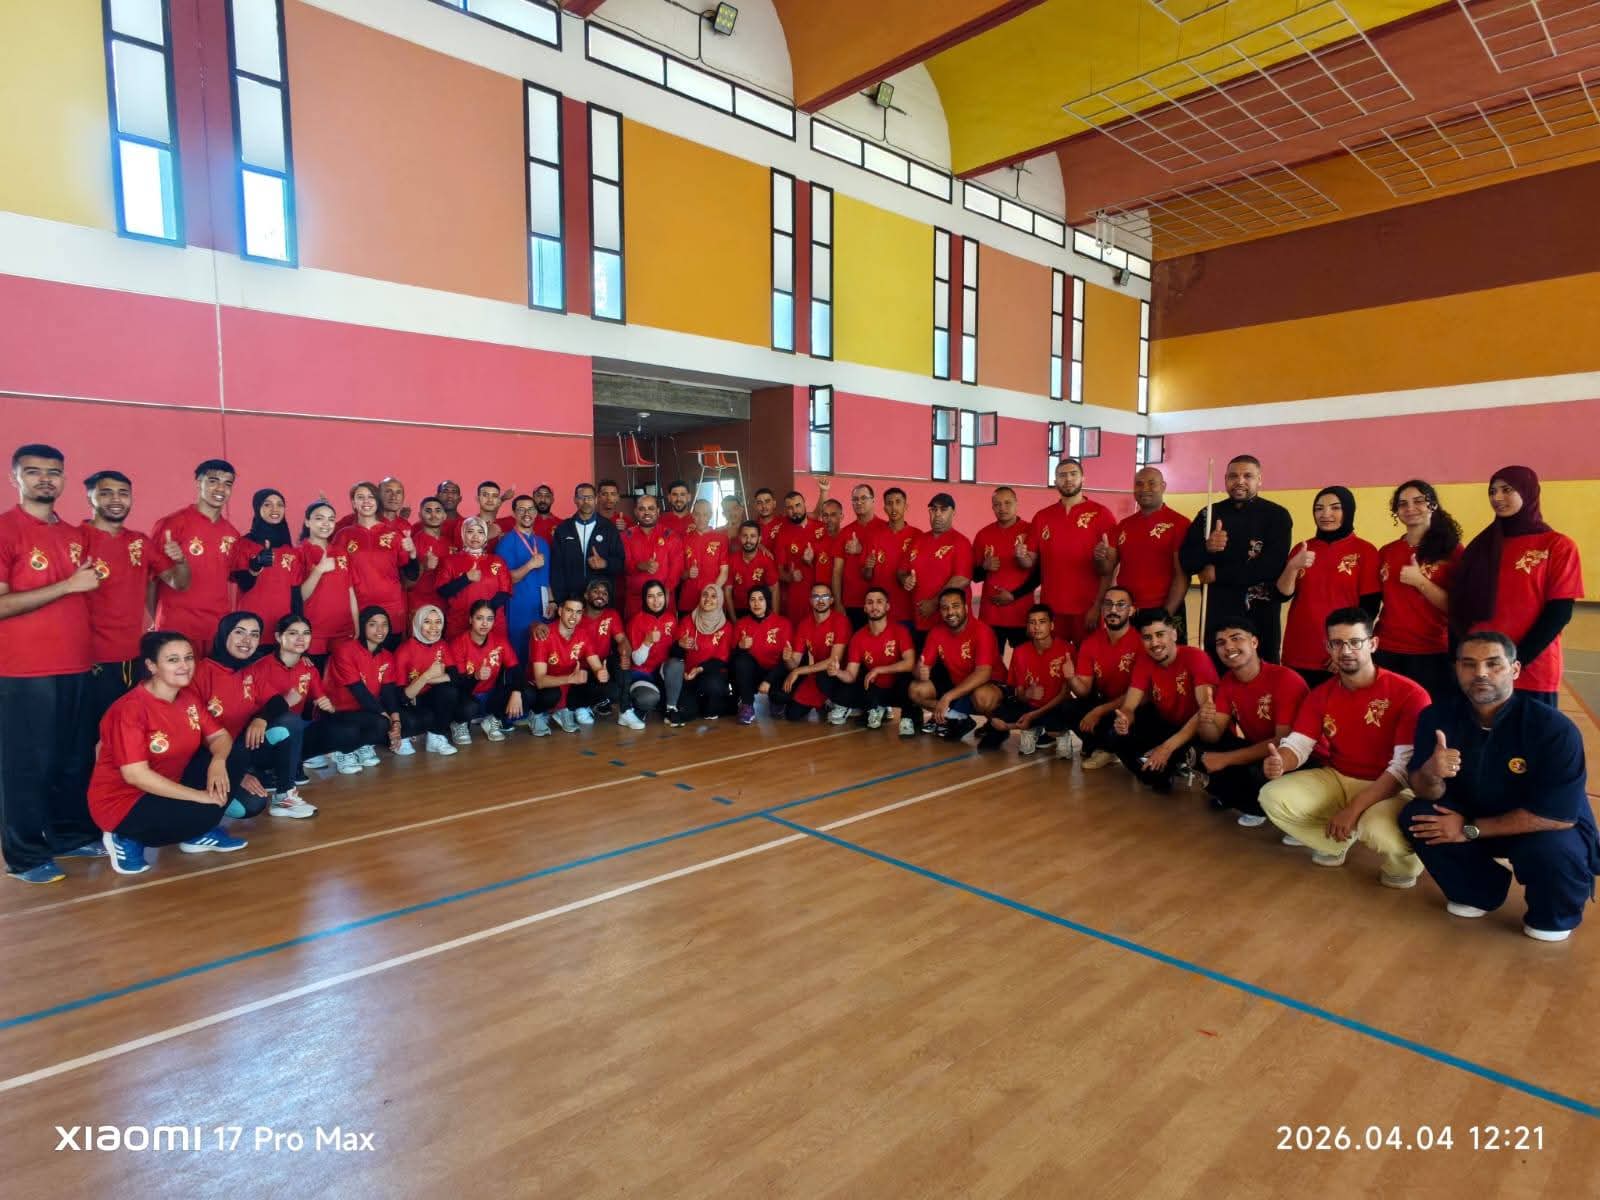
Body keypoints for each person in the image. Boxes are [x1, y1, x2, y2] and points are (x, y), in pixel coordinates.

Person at [1404, 632, 1597, 942]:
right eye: (1469, 664)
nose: (1480, 673)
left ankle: (1553, 912)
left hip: (1535, 827)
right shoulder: (1436, 717)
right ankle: (1478, 890)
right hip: (1471, 813)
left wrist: (1469, 829)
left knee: (1555, 850)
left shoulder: (1553, 729)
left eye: (1493, 664)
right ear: (1457, 669)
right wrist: (1431, 772)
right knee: (1418, 815)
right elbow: (1425, 791)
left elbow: (1559, 816)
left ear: (1515, 669)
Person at [1259, 607, 1429, 888]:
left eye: (1354, 642)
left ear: (1372, 644)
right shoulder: (1322, 694)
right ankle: (1336, 842)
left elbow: (1402, 769)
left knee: (1374, 828)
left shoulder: (1409, 694)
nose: (1346, 650)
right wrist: (1282, 762)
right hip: (1339, 777)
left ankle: (1405, 863)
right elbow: (1299, 745)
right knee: (1272, 796)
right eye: (1337, 643)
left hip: (1395, 785)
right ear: (1328, 647)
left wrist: (1353, 811)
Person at [1, 444, 106, 883]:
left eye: (54, 472)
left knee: (72, 758)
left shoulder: (72, 534)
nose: (45, 479)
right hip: (25, 671)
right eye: (34, 472)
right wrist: (67, 586)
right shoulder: (7, 530)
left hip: (76, 666)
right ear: (15, 478)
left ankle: (69, 835)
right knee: (27, 765)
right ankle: (24, 855)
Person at [92, 631, 258, 874]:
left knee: (236, 755)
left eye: (188, 658)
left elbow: (220, 737)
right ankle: (124, 837)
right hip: (124, 802)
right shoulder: (130, 710)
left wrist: (218, 762)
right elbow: (136, 776)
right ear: (151, 665)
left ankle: (195, 833)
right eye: (173, 660)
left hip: (168, 785)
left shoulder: (187, 698)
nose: (184, 666)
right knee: (206, 808)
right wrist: (198, 796)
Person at [1449, 466, 1583, 706]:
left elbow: (1559, 613)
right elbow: (1460, 607)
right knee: (1480, 741)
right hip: (1480, 669)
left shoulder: (1557, 545)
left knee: (1531, 741)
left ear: (1528, 492)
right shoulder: (1480, 547)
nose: (1497, 498)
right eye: (1492, 491)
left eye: (1507, 490)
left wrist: (1514, 662)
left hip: (1531, 669)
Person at [81, 469, 189, 725]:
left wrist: (181, 560)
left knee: (131, 729)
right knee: (89, 735)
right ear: (90, 497)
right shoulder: (76, 539)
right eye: (106, 493)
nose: (116, 499)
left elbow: (178, 582)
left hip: (133, 655)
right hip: (91, 658)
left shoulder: (139, 542)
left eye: (123, 493)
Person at [193, 612, 310, 818]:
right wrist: (236, 773)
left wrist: (261, 718)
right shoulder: (201, 672)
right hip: (207, 757)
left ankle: (285, 795)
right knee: (250, 806)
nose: (247, 640)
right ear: (224, 633)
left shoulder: (250, 671)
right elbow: (191, 737)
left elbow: (277, 702)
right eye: (240, 632)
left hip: (241, 749)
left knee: (290, 722)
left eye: (255, 634)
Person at [1179, 454, 1293, 666]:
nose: (1240, 481)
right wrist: (1207, 548)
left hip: (1260, 613)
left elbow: (1271, 567)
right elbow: (1186, 561)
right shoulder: (1208, 514)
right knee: (1217, 669)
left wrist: (1218, 574)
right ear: (1225, 479)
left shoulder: (1277, 516)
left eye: (1247, 476)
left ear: (1259, 480)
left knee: (1262, 672)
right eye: (1233, 476)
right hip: (1217, 610)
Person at [1195, 618, 1309, 826]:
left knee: (1247, 767)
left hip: (1298, 757)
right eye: (1221, 643)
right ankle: (1251, 803)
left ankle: (1284, 811)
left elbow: (1283, 741)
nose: (1228, 646)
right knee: (1200, 750)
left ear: (1254, 642)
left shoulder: (1285, 679)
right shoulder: (1228, 680)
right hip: (1261, 749)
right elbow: (1212, 736)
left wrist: (1226, 759)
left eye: (1236, 638)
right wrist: (1205, 719)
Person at [1277, 487, 1380, 689]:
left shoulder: (1365, 551)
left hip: (1340, 652)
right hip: (1299, 649)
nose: (1325, 514)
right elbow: (1282, 594)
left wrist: (1344, 650)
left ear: (1348, 511)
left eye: (1335, 508)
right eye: (1319, 508)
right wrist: (1293, 566)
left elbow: (1369, 608)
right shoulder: (1302, 548)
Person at [1109, 609, 1218, 792]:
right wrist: (1124, 719)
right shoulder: (1144, 661)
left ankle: (1176, 762)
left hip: (1195, 731)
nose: (1155, 643)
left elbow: (1203, 714)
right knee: (1115, 735)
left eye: (1160, 635)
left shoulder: (1195, 658)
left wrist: (1165, 748)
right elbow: (1129, 705)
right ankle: (1163, 768)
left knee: (1158, 771)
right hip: (1168, 725)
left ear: (1174, 634)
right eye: (1147, 638)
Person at [253, 615, 373, 779]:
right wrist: (285, 702)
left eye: (306, 633)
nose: (301, 638)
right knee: (289, 720)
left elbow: (321, 699)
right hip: (262, 733)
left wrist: (327, 705)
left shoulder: (309, 669)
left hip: (296, 729)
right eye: (293, 633)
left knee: (346, 729)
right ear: (278, 637)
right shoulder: (261, 667)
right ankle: (273, 769)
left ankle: (299, 760)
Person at [1375, 479, 1462, 705]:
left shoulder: (1452, 551)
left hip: (1432, 651)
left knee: (1428, 719)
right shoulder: (1386, 552)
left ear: (1432, 505)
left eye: (1418, 501)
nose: (1410, 508)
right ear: (1396, 512)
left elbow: (1457, 607)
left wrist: (1421, 582)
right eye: (1402, 504)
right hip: (1388, 649)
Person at [151, 459, 241, 654]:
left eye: (228, 483)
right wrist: (155, 621)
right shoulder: (173, 524)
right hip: (177, 627)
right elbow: (151, 579)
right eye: (213, 481)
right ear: (197, 482)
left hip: (216, 629)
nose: (220, 488)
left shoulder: (232, 534)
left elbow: (232, 577)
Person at [1030, 458, 1117, 646]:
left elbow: (1109, 569)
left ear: (1083, 478)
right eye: (1062, 475)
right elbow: (1031, 562)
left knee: (1088, 665)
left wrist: (1097, 605)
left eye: (1073, 474)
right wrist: (1022, 555)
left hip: (1087, 608)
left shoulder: (1102, 514)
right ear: (1055, 481)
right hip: (1052, 608)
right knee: (1055, 663)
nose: (1068, 479)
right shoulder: (1042, 517)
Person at [909, 588, 1004, 740]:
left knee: (982, 697)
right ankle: (958, 717)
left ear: (966, 607)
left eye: (955, 606)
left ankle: (997, 725)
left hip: (989, 685)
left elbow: (983, 673)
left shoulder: (982, 631)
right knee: (917, 689)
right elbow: (921, 667)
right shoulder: (936, 632)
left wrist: (948, 697)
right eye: (945, 608)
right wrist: (920, 671)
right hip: (959, 686)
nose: (950, 612)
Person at [981, 606, 1075, 755]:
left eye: (1042, 622)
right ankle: (1032, 729)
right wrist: (1027, 695)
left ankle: (1060, 734)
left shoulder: (1067, 650)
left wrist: (1031, 716)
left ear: (1051, 625)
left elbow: (1065, 693)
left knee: (1065, 712)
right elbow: (1019, 694)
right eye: (1032, 622)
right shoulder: (1020, 652)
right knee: (997, 720)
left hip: (1055, 706)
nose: (1037, 627)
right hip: (1030, 706)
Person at [1068, 587, 1141, 771]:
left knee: (1122, 723)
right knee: (1067, 708)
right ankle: (1103, 746)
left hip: (1132, 707)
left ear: (1132, 610)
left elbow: (1137, 693)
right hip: (1106, 703)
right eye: (1108, 604)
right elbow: (1083, 690)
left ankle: (1108, 747)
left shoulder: (1141, 643)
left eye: (1120, 605)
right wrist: (1070, 678)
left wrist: (1099, 711)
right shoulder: (1090, 642)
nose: (1113, 610)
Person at [325, 606, 408, 765]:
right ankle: (342, 750)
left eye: (384, 624)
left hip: (366, 711)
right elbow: (358, 691)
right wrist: (387, 719)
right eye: (373, 624)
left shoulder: (387, 656)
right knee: (382, 722)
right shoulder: (345, 650)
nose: (380, 629)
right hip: (338, 711)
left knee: (391, 721)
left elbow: (388, 692)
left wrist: (396, 723)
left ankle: (360, 745)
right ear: (362, 626)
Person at [1109, 467, 1191, 627]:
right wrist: (1100, 557)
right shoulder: (1124, 526)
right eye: (1139, 484)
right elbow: (1106, 568)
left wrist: (1166, 616)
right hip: (1128, 609)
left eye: (1152, 483)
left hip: (1164, 609)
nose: (1145, 488)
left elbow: (1182, 576)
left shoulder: (1180, 524)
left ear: (1163, 486)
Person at [828, 586, 915, 732]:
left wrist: (879, 669)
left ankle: (907, 717)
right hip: (875, 689)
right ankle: (876, 708)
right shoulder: (858, 637)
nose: (874, 606)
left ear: (887, 606)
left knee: (907, 679)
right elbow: (851, 675)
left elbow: (910, 663)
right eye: (870, 602)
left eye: (879, 602)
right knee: (841, 692)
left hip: (898, 690)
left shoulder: (900, 631)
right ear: (864, 608)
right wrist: (837, 672)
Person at [341, 481, 418, 635]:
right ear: (353, 503)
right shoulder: (343, 535)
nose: (366, 501)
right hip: (357, 609)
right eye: (360, 497)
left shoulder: (394, 535)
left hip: (391, 609)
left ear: (377, 502)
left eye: (371, 497)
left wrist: (413, 554)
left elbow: (411, 575)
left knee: (388, 658)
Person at [901, 493, 974, 647]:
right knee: (922, 668)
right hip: (919, 621)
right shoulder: (918, 540)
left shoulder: (961, 542)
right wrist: (905, 579)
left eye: (943, 510)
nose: (938, 514)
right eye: (934, 510)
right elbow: (902, 571)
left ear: (953, 513)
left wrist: (934, 603)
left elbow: (962, 578)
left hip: (949, 623)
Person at [530, 596, 611, 734]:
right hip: (546, 688)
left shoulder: (583, 634)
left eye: (578, 612)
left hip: (569, 686)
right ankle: (536, 715)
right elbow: (540, 681)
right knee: (551, 694)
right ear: (560, 611)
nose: (574, 616)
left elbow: (598, 667)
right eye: (569, 610)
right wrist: (570, 679)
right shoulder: (544, 634)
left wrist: (603, 674)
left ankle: (567, 710)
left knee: (602, 686)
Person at [450, 599, 527, 742]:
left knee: (525, 693)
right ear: (471, 619)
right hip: (467, 697)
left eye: (489, 619)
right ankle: (458, 724)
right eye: (479, 618)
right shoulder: (458, 644)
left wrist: (517, 692)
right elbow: (458, 685)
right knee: (467, 705)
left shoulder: (500, 642)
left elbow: (517, 671)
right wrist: (476, 676)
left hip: (489, 696)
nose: (485, 623)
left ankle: (492, 720)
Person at [972, 486, 1039, 652]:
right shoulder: (983, 535)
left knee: (1025, 664)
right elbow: (974, 576)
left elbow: (1040, 574)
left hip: (1022, 613)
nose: (1002, 508)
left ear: (1017, 504)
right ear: (992, 507)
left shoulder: (1030, 531)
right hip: (991, 614)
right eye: (997, 504)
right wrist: (984, 567)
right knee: (991, 665)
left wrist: (1014, 596)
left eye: (1007, 503)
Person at [773, 582, 852, 721]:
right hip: (816, 673)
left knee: (825, 675)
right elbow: (794, 663)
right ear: (810, 600)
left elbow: (833, 661)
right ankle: (825, 703)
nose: (820, 600)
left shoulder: (841, 621)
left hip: (840, 675)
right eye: (816, 597)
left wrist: (798, 671)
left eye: (825, 596)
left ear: (832, 600)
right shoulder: (804, 624)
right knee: (792, 714)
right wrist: (788, 659)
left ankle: (842, 703)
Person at [391, 605, 464, 755]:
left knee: (449, 692)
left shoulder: (442, 645)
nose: (433, 627)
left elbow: (455, 677)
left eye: (438, 622)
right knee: (413, 720)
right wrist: (427, 675)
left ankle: (436, 738)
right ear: (417, 623)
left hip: (425, 696)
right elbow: (403, 697)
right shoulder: (404, 651)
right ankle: (405, 736)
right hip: (406, 703)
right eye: (427, 622)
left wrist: (429, 680)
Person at [230, 487, 300, 637]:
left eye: (280, 504)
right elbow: (243, 584)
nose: (275, 509)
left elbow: (295, 595)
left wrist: (297, 627)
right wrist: (256, 565)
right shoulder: (245, 544)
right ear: (257, 508)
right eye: (267, 504)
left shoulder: (290, 550)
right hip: (251, 630)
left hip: (282, 632)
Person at [296, 500, 359, 665]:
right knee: (313, 683)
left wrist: (357, 626)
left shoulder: (341, 553)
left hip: (343, 631)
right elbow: (298, 596)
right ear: (307, 521)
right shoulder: (299, 553)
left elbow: (350, 592)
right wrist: (319, 570)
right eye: (319, 518)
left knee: (339, 685)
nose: (326, 523)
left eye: (331, 519)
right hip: (313, 633)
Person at [667, 583, 735, 723]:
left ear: (720, 601)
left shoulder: (726, 627)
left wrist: (699, 669)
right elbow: (674, 653)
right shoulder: (687, 620)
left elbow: (721, 660)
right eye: (705, 595)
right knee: (687, 712)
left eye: (713, 596)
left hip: (711, 675)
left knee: (712, 694)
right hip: (688, 677)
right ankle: (698, 705)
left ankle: (720, 703)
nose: (708, 599)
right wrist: (680, 645)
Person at [549, 482, 623, 605]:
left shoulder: (609, 528)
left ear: (595, 499)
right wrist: (559, 599)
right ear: (575, 500)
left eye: (589, 497)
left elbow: (620, 563)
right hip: (570, 599)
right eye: (582, 497)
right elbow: (556, 568)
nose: (586, 501)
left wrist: (605, 563)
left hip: (600, 599)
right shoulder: (563, 529)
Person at [499, 493, 553, 657]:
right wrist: (530, 565)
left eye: (530, 509)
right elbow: (507, 579)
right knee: (520, 652)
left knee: (542, 653)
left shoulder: (542, 543)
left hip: (542, 607)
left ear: (536, 513)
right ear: (514, 513)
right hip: (518, 607)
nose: (526, 513)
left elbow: (547, 577)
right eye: (521, 509)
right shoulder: (506, 542)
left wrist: (552, 600)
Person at [437, 516, 511, 635]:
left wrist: (483, 615)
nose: (476, 536)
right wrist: (466, 578)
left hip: (492, 624)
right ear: (463, 535)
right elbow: (442, 591)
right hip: (459, 623)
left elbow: (505, 592)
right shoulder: (450, 561)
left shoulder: (498, 561)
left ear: (485, 536)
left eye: (480, 532)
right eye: (470, 531)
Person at [731, 584, 791, 724]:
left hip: (776, 673)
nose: (756, 603)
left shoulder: (783, 623)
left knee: (780, 698)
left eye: (761, 599)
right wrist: (740, 646)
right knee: (742, 660)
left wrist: (768, 680)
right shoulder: (741, 624)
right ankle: (747, 705)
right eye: (752, 599)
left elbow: (787, 659)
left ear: (768, 601)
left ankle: (775, 700)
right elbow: (731, 659)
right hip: (753, 673)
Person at [622, 580, 676, 728]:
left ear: (665, 597)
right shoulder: (636, 621)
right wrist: (647, 642)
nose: (656, 600)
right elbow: (637, 661)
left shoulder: (671, 618)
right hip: (642, 673)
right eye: (650, 596)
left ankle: (664, 705)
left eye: (659, 595)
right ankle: (637, 706)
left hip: (662, 673)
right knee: (648, 698)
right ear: (644, 599)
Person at [837, 483, 893, 627]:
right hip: (852, 602)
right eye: (855, 499)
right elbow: (837, 572)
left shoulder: (886, 528)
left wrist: (861, 550)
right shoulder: (845, 532)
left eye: (863, 498)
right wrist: (838, 603)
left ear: (873, 501)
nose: (859, 502)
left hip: (879, 602)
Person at [622, 495, 683, 619]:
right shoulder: (626, 536)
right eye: (642, 508)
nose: (647, 512)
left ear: (658, 511)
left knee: (665, 637)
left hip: (663, 600)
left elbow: (677, 568)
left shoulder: (671, 536)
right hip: (636, 602)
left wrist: (666, 591)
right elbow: (623, 564)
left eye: (651, 508)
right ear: (635, 512)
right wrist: (640, 566)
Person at [578, 577, 628, 716]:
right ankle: (593, 702)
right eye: (596, 591)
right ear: (586, 595)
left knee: (621, 663)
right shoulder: (577, 615)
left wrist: (625, 654)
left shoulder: (611, 614)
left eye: (605, 593)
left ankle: (626, 710)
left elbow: (622, 639)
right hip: (580, 668)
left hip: (603, 666)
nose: (601, 595)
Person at [774, 489, 827, 619]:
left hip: (824, 593)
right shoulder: (782, 535)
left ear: (804, 504)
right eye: (790, 508)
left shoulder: (822, 527)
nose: (795, 510)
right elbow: (779, 572)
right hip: (798, 596)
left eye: (798, 505)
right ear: (786, 510)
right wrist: (790, 577)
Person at [880, 486, 921, 630]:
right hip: (881, 612)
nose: (894, 507)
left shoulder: (918, 536)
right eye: (889, 503)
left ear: (906, 506)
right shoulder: (874, 536)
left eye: (898, 502)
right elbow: (866, 574)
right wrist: (867, 566)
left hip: (908, 612)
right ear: (884, 507)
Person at [678, 499, 729, 615]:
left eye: (705, 514)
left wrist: (712, 592)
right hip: (688, 599)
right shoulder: (684, 539)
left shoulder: (721, 539)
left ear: (710, 515)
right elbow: (679, 573)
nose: (701, 519)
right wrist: (687, 573)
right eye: (697, 514)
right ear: (692, 515)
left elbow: (724, 571)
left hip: (712, 600)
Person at [406, 495, 451, 619]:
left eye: (438, 510)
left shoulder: (449, 543)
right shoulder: (413, 544)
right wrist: (423, 566)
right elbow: (405, 584)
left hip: (445, 607)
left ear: (444, 516)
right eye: (428, 511)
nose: (433, 515)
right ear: (420, 515)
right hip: (420, 607)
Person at [726, 521, 780, 617]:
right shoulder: (732, 560)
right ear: (739, 538)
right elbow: (728, 591)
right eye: (744, 536)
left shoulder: (766, 560)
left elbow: (775, 589)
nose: (748, 540)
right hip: (739, 610)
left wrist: (775, 619)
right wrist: (734, 620)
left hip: (761, 609)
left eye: (753, 536)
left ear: (759, 539)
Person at [751, 487, 782, 551]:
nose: (764, 506)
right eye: (759, 503)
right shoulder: (751, 527)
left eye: (767, 501)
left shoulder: (784, 522)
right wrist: (758, 545)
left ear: (774, 504)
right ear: (755, 506)